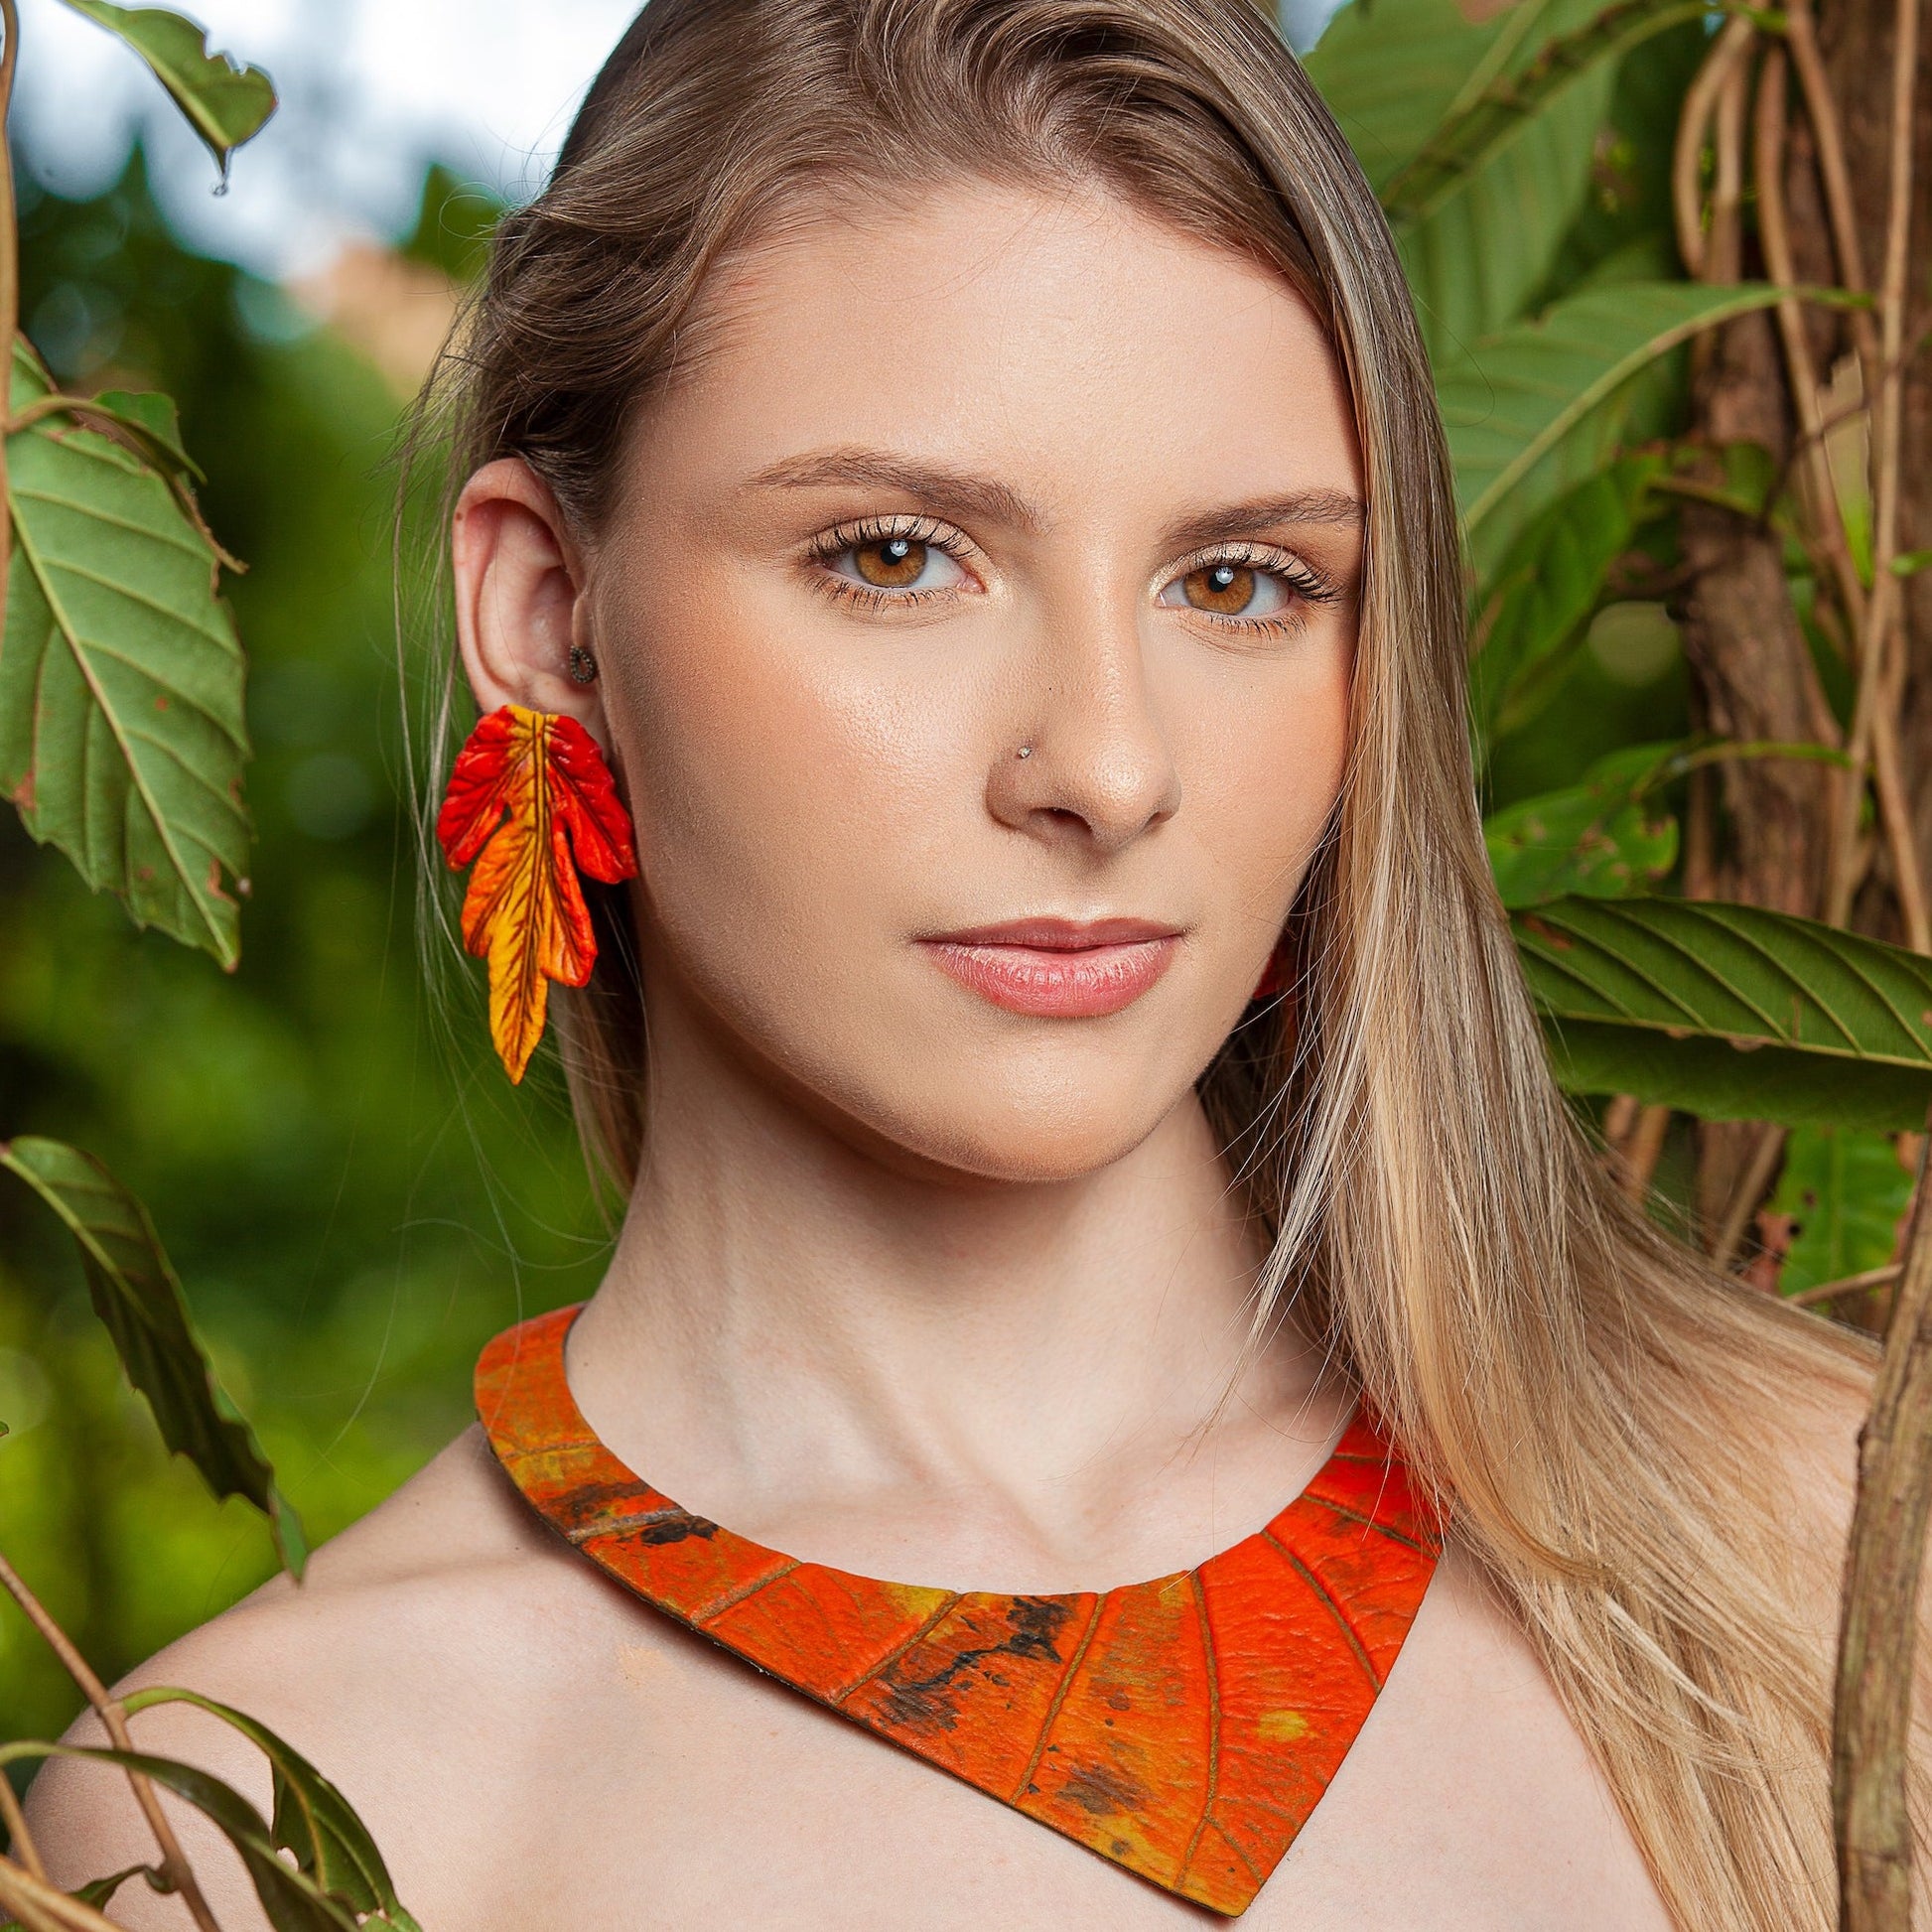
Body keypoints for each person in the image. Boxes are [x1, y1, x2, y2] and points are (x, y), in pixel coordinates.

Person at [28, 1, 1876, 1925]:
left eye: (1239, 580)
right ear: (548, 615)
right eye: (897, 555)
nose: (1104, 762)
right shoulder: (251, 1809)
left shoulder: (1813, 1546)